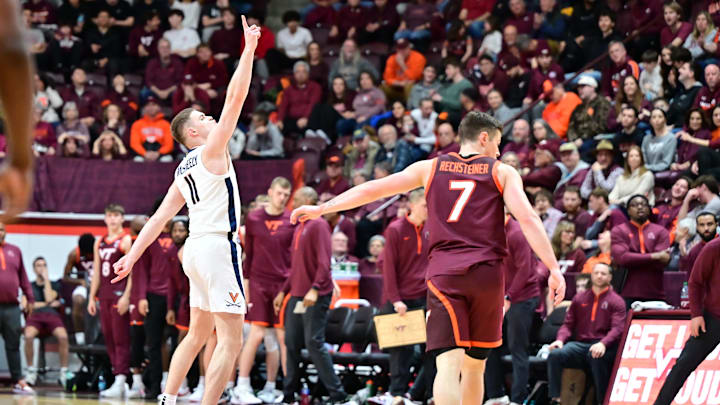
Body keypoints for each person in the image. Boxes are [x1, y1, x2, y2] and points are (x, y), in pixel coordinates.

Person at [290, 111, 566, 405]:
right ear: (483, 138)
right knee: (475, 366)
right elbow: (528, 219)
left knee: (447, 365)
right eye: (497, 143)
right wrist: (553, 268)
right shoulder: (502, 172)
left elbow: (374, 189)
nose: (498, 151)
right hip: (487, 275)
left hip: (445, 275)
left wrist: (324, 207)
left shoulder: (431, 168)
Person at [111, 18, 261, 405]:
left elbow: (159, 219)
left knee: (196, 334)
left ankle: (168, 398)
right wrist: (247, 51)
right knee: (230, 339)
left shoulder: (183, 168)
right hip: (215, 248)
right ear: (193, 133)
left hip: (193, 251)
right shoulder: (212, 151)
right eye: (204, 119)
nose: (212, 120)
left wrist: (131, 255)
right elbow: (235, 100)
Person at [272, 187, 355, 404]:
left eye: (298, 198)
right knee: (291, 343)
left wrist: (315, 288)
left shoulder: (318, 225)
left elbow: (323, 262)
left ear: (309, 200)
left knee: (313, 343)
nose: (293, 201)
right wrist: (283, 291)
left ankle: (339, 395)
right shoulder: (300, 227)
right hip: (297, 294)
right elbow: (295, 267)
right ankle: (289, 395)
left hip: (316, 294)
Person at [234, 177, 294, 405]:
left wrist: (286, 287)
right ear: (270, 192)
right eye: (279, 193)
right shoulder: (254, 218)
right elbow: (247, 255)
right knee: (257, 332)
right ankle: (242, 385)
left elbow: (294, 256)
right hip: (258, 283)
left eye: (286, 195)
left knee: (279, 338)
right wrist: (246, 286)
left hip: (282, 284)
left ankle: (276, 388)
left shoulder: (292, 220)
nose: (282, 198)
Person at [653, 235, 720, 405]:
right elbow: (695, 282)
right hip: (712, 318)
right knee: (683, 365)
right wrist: (696, 314)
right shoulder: (714, 247)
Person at [546, 263, 626, 405]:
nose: (600, 276)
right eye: (596, 273)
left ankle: (603, 400)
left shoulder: (617, 301)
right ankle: (556, 399)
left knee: (595, 356)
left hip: (604, 345)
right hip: (581, 345)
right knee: (555, 354)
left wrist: (603, 344)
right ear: (591, 275)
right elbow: (568, 325)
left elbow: (617, 329)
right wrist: (560, 340)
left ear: (610, 277)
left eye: (603, 273)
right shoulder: (579, 298)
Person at [485, 214, 541, 405]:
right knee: (488, 344)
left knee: (518, 349)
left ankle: (518, 400)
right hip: (502, 297)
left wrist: (509, 296)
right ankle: (496, 396)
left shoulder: (517, 232)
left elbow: (525, 269)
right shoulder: (491, 232)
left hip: (523, 297)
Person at [381, 188, 429, 399]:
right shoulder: (396, 229)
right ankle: (396, 395)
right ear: (412, 205)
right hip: (402, 301)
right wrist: (396, 299)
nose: (430, 209)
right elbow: (388, 268)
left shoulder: (434, 229)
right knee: (400, 353)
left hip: (427, 298)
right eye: (425, 206)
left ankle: (418, 394)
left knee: (434, 351)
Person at [88, 204, 133, 398]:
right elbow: (96, 272)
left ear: (122, 219)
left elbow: (133, 271)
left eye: (116, 216)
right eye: (109, 216)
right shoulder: (100, 242)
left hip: (119, 293)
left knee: (120, 338)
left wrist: (127, 296)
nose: (113, 219)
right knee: (108, 337)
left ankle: (121, 378)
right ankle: (118, 377)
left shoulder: (126, 240)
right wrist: (91, 296)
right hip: (104, 294)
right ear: (105, 219)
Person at [611, 195, 671, 306]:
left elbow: (664, 259)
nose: (640, 207)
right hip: (627, 292)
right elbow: (623, 258)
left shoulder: (661, 231)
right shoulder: (619, 231)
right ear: (628, 210)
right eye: (635, 205)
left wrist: (633, 258)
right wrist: (655, 256)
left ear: (649, 209)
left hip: (656, 292)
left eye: (643, 204)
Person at [0, 221, 34, 394]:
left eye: (2, 228)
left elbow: (23, 277)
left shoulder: (15, 251)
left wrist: (30, 297)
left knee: (13, 345)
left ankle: (18, 381)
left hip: (12, 307)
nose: (0, 231)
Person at [25, 257, 70, 388]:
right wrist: (47, 303)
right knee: (28, 336)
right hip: (36, 317)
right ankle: (30, 371)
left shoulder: (54, 284)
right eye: (38, 266)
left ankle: (64, 372)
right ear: (34, 269)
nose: (41, 268)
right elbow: (27, 305)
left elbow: (50, 297)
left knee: (63, 336)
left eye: (44, 265)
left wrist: (46, 280)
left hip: (51, 315)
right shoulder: (29, 286)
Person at [62, 233, 95, 345]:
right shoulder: (74, 254)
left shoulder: (101, 251)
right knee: (77, 300)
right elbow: (65, 277)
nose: (90, 256)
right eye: (88, 254)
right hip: (83, 285)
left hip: (100, 286)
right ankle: (79, 334)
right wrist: (80, 281)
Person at [277, 61, 322, 137]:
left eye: (303, 72)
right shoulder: (288, 89)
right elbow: (283, 106)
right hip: (292, 120)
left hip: (309, 119)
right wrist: (280, 119)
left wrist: (305, 118)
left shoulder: (315, 87)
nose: (300, 75)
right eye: (298, 72)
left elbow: (313, 104)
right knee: (281, 125)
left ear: (308, 74)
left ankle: (310, 134)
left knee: (315, 118)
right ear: (294, 74)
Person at [381, 38, 426, 105]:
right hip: (398, 86)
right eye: (399, 49)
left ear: (409, 48)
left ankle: (410, 109)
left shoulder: (418, 57)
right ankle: (389, 109)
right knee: (383, 87)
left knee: (409, 86)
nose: (401, 51)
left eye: (404, 48)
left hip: (414, 87)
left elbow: (414, 77)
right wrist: (399, 83)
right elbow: (387, 78)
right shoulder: (392, 59)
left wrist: (402, 65)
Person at [129, 97, 174, 162]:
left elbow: (169, 145)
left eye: (153, 104)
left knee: (167, 159)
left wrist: (158, 153)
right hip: (143, 154)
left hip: (161, 154)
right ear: (144, 108)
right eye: (148, 105)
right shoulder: (137, 124)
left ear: (159, 107)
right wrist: (144, 153)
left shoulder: (166, 124)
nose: (151, 107)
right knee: (137, 160)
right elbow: (134, 144)